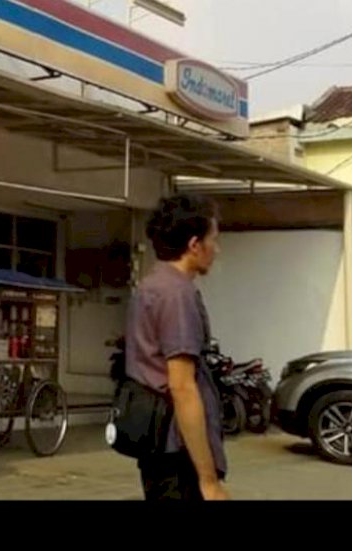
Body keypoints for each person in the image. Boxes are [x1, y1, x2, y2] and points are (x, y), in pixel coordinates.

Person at [125, 194, 230, 501]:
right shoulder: (176, 294)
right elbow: (182, 386)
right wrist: (209, 481)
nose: (217, 249)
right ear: (194, 245)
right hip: (178, 453)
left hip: (157, 444)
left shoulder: (151, 285)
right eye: (213, 240)